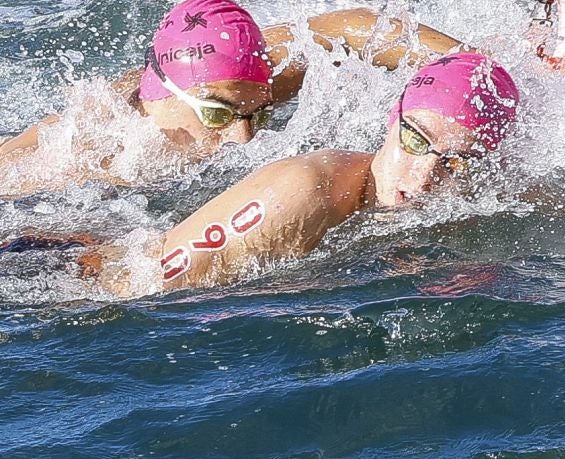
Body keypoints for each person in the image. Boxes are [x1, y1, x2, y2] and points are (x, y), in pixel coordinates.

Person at [64, 52, 521, 295]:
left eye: (457, 162)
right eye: (416, 141)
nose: (423, 179)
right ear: (391, 118)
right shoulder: (304, 196)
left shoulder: (451, 200)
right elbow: (137, 288)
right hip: (68, 269)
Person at [0, 0, 464, 197]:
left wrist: (470, 65)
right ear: (164, 91)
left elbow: (348, 28)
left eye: (258, 116)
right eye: (218, 116)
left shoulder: (242, 84)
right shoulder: (78, 152)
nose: (244, 140)